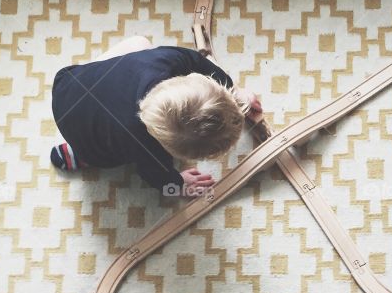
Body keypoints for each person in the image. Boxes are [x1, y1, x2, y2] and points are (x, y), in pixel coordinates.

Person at [49, 36, 262, 196]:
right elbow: (156, 175)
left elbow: (197, 60)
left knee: (139, 43)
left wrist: (234, 91)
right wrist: (178, 184)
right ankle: (82, 154)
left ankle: (84, 140)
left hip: (67, 86)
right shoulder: (144, 145)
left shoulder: (162, 61)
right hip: (90, 133)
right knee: (105, 148)